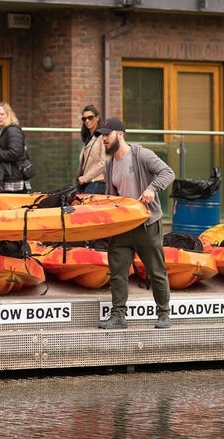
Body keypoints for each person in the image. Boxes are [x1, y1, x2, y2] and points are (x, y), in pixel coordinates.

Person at [95, 117, 174, 330]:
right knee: (117, 272)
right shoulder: (110, 165)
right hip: (122, 226)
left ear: (120, 134)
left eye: (107, 135)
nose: (103, 139)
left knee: (156, 270)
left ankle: (164, 313)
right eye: (102, 135)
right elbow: (111, 196)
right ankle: (118, 315)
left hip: (147, 224)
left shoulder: (142, 155)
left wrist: (152, 188)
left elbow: (168, 173)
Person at [0, 101, 30, 193]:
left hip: (13, 179)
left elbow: (15, 154)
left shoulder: (13, 131)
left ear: (9, 115)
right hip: (0, 178)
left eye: (2, 114)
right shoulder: (0, 131)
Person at [75, 104, 106, 194]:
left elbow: (103, 162)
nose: (87, 121)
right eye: (84, 119)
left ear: (97, 118)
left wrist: (85, 178)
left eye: (90, 117)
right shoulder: (89, 138)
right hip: (86, 182)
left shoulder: (102, 136)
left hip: (97, 182)